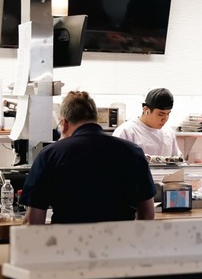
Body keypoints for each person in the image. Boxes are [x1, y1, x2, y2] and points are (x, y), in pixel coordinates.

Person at [19, 91, 155, 224]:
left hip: (68, 243)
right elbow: (148, 214)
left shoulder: (50, 155)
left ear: (64, 123)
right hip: (120, 243)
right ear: (95, 119)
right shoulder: (133, 152)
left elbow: (33, 221)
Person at [112, 88, 182, 158]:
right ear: (146, 110)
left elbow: (177, 161)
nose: (165, 119)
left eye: (168, 114)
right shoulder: (126, 132)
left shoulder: (168, 133)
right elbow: (115, 161)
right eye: (160, 114)